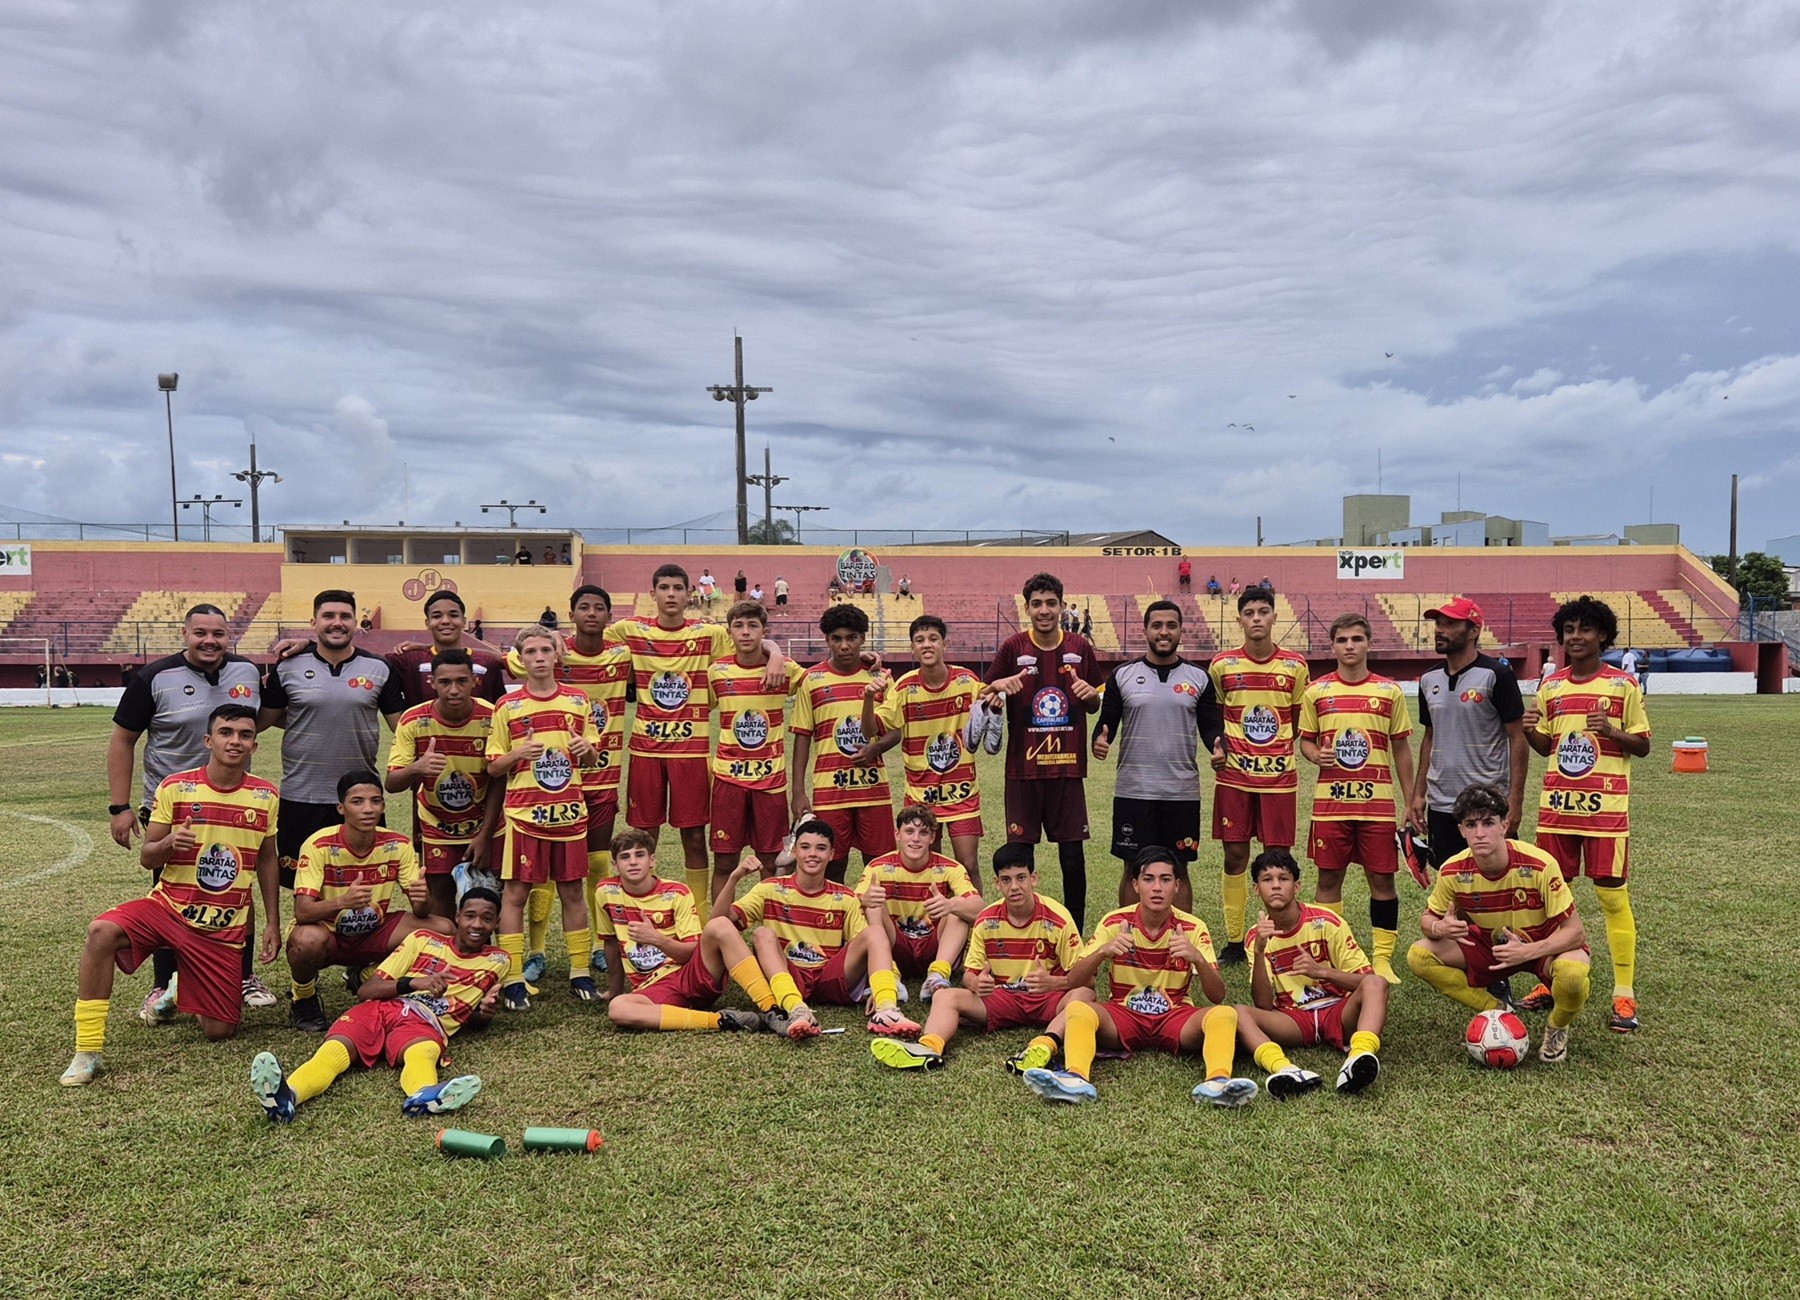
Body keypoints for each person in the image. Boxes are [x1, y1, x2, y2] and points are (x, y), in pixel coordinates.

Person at [62, 705, 280, 1085]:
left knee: (219, 1031)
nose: (235, 741)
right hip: (169, 908)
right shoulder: (176, 787)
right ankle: (87, 1051)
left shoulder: (265, 795)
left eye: (244, 735)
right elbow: (148, 858)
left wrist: (273, 922)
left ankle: (179, 989)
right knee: (101, 932)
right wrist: (169, 844)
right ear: (208, 741)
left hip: (221, 927)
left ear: (255, 746)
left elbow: (266, 858)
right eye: (226, 733)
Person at [106, 602, 267, 1016]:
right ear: (185, 633)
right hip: (174, 807)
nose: (209, 641)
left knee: (235, 884)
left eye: (218, 633)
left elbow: (254, 725)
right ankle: (163, 984)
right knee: (169, 894)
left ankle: (241, 974)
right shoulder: (155, 677)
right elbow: (123, 740)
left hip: (232, 801)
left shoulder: (247, 671)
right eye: (200, 633)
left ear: (228, 636)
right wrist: (119, 806)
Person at [1017, 847, 1258, 1108]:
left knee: (1224, 1014)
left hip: (1174, 1015)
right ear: (1135, 885)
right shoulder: (1114, 922)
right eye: (1148, 879)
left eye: (1165, 880)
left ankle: (1218, 1082)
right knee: (1078, 1009)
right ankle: (1076, 1078)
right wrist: (1103, 952)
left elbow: (1217, 995)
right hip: (1123, 1016)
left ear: (1177, 886)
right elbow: (1074, 980)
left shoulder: (1192, 927)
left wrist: (1197, 957)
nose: (1157, 887)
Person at [606, 565, 787, 912]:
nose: (671, 594)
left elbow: (748, 637)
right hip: (646, 751)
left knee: (692, 837)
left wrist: (775, 650)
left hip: (692, 753)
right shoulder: (631, 630)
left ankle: (702, 918)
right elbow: (589, 636)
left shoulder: (707, 633)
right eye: (664, 587)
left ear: (690, 593)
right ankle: (640, 910)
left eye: (678, 588)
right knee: (644, 836)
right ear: (652, 594)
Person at [249, 887, 509, 1122]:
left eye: (487, 919)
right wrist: (414, 983)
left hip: (424, 1020)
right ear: (457, 917)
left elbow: (467, 1015)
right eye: (470, 916)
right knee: (333, 1053)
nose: (477, 924)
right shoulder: (422, 940)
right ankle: (286, 1097)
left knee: (423, 1052)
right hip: (379, 1006)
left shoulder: (498, 961)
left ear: (497, 923)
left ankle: (423, 1096)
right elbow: (366, 990)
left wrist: (484, 1015)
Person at [1521, 596, 1651, 1032]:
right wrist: (1529, 732)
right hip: (1556, 810)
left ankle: (1624, 995)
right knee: (1550, 899)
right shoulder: (1552, 686)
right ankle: (1551, 977)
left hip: (1605, 812)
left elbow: (1644, 745)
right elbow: (1547, 748)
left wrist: (1612, 730)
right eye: (1570, 630)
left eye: (1585, 630)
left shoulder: (1622, 686)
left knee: (1613, 897)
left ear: (1603, 637)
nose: (1576, 637)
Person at [1406, 783, 1591, 1063]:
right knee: (1419, 956)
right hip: (1493, 950)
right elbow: (1427, 919)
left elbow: (1576, 933)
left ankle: (1557, 1027)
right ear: (1461, 831)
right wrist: (1438, 928)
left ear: (1504, 826)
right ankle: (1497, 1009)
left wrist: (1529, 951)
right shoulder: (1453, 870)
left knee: (1574, 974)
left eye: (1488, 823)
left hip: (1543, 946)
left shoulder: (1540, 864)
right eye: (1471, 824)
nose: (1480, 833)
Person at [504, 585, 634, 983]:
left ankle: (596, 946)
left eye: (599, 608)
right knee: (539, 875)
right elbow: (514, 653)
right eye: (583, 608)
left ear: (609, 616)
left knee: (592, 865)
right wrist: (550, 638)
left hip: (600, 773)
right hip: (549, 784)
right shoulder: (552, 650)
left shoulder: (621, 654)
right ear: (571, 613)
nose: (591, 614)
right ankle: (538, 952)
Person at [872, 842, 1087, 1072]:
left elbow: (1086, 978)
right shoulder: (986, 920)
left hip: (1047, 998)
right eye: (1006, 879)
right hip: (1003, 996)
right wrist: (978, 983)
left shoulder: (1059, 918)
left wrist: (1052, 983)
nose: (1014, 886)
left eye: (1021, 877)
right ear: (996, 884)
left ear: (1034, 878)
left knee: (1085, 995)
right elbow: (970, 975)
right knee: (945, 996)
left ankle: (1043, 1046)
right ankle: (928, 1048)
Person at [259, 589, 406, 893]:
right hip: (301, 797)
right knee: (302, 890)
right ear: (313, 622)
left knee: (362, 887)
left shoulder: (379, 669)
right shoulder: (287, 667)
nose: (336, 623)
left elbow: (403, 728)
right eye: (328, 616)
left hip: (360, 799)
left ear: (356, 623)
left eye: (344, 616)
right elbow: (263, 720)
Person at [486, 627, 602, 1009]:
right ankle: (514, 977)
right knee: (516, 895)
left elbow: (590, 757)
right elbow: (493, 766)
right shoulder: (508, 707)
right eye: (530, 651)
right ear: (520, 658)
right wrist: (518, 754)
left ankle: (580, 971)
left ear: (557, 656)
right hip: (524, 817)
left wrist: (586, 749)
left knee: (572, 892)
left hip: (569, 815)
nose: (538, 657)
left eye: (545, 650)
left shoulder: (578, 701)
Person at [1296, 613, 1416, 983]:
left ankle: (1381, 960)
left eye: (1357, 639)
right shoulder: (1317, 692)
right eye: (1342, 640)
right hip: (1330, 805)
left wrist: (1411, 801)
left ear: (1368, 644)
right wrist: (1317, 755)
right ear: (1332, 646)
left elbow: (1401, 749)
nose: (1349, 646)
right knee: (1328, 879)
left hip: (1377, 806)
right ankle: (1332, 954)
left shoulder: (1388, 691)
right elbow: (1305, 741)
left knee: (1382, 881)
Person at [724, 819, 919, 1037]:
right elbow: (720, 922)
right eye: (805, 847)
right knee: (762, 934)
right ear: (794, 851)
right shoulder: (769, 889)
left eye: (821, 848)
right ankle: (796, 1009)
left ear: (832, 853)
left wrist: (887, 984)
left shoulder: (844, 896)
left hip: (829, 977)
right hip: (790, 973)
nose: (812, 854)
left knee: (873, 932)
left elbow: (874, 944)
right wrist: (733, 879)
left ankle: (886, 1011)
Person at [287, 773, 451, 1031]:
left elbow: (421, 911)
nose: (368, 809)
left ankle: (367, 976)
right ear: (341, 808)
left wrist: (423, 898)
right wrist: (343, 901)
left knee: (443, 929)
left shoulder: (398, 844)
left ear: (383, 806)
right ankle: (303, 997)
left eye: (375, 801)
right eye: (357, 802)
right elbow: (303, 911)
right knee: (306, 941)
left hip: (374, 932)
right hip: (329, 934)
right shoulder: (318, 845)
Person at [984, 572, 1102, 933]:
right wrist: (996, 686)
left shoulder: (1080, 648)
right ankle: (1021, 929)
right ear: (1027, 608)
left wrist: (1090, 696)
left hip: (1067, 769)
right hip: (1022, 771)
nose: (1045, 610)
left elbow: (1096, 701)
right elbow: (984, 692)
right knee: (1021, 856)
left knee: (1072, 856)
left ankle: (1076, 934)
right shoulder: (1013, 647)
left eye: (1051, 603)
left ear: (1062, 606)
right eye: (1037, 603)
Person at [1093, 600, 1221, 914]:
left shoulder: (1199, 677)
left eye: (1171, 625)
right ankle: (1131, 944)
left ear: (1180, 630)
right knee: (1133, 869)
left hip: (1181, 792)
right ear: (1146, 630)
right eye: (1157, 625)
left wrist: (1218, 746)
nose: (1164, 632)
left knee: (1179, 868)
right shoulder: (1123, 675)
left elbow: (1210, 726)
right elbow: (1106, 720)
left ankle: (1181, 945)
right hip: (1133, 791)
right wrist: (1100, 738)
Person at [1207, 586, 1310, 964]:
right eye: (1248, 612)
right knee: (1235, 856)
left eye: (1263, 611)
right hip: (1234, 778)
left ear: (1273, 617)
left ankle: (1278, 934)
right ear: (1239, 619)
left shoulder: (1295, 666)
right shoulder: (1222, 666)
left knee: (1277, 860)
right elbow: (1214, 718)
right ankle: (1235, 941)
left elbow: (1297, 722)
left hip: (1279, 780)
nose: (1256, 618)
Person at [1234, 848, 1386, 1098]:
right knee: (1238, 1012)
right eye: (1267, 879)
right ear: (1255, 889)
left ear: (1297, 886)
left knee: (1377, 983)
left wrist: (1322, 971)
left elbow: (1365, 980)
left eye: (1283, 879)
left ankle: (1358, 1056)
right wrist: (1260, 951)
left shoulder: (1328, 921)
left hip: (1338, 1011)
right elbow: (1262, 1003)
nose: (1275, 886)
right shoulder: (1255, 936)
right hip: (1294, 1019)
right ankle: (1285, 1069)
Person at [855, 614, 987, 886]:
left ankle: (975, 925)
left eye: (933, 639)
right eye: (919, 640)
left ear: (944, 645)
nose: (927, 645)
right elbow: (870, 730)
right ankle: (935, 926)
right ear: (912, 648)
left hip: (961, 793)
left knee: (968, 864)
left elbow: (990, 705)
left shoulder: (967, 681)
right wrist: (868, 697)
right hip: (921, 797)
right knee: (929, 869)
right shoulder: (904, 687)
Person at [599, 829, 776, 1032]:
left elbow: (692, 953)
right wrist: (615, 992)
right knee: (618, 1008)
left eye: (640, 855)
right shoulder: (605, 892)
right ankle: (722, 1020)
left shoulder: (677, 893)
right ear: (614, 865)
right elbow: (611, 942)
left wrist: (656, 939)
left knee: (720, 925)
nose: (632, 862)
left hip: (689, 974)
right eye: (624, 857)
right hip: (653, 989)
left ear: (652, 860)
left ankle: (772, 1009)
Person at [1407, 597, 1528, 872]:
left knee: (1497, 875)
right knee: (1450, 878)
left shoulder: (1496, 675)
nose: (1439, 629)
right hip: (1441, 801)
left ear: (1473, 631)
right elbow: (1430, 736)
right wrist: (1419, 793)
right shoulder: (1428, 679)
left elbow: (1517, 738)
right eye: (1438, 623)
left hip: (1486, 799)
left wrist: (1516, 800)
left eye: (1449, 624)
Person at [385, 650, 501, 918]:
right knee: (440, 898)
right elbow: (391, 783)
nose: (453, 689)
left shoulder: (493, 717)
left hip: (488, 826)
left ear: (474, 681)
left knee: (490, 898)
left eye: (462, 681)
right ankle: (449, 955)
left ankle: (487, 957)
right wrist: (417, 767)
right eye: (445, 682)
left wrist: (484, 834)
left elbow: (500, 778)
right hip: (438, 827)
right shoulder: (413, 720)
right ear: (432, 683)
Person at [707, 600, 805, 903]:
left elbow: (821, 681)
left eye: (753, 626)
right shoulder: (717, 672)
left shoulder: (784, 670)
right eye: (739, 626)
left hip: (771, 784)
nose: (746, 632)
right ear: (729, 631)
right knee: (724, 862)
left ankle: (773, 929)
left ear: (764, 630)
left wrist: (776, 654)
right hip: (728, 783)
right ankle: (719, 929)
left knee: (773, 860)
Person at [790, 604, 894, 882]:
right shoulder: (811, 680)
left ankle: (879, 925)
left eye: (852, 638)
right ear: (827, 640)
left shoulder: (879, 677)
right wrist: (798, 791)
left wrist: (875, 748)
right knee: (832, 865)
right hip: (830, 792)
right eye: (837, 638)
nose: (845, 645)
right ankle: (835, 922)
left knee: (880, 866)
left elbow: (896, 730)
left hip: (873, 789)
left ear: (863, 638)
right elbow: (802, 737)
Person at [854, 806, 984, 998]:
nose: (916, 839)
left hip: (936, 947)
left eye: (923, 833)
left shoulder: (951, 868)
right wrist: (864, 900)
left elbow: (980, 908)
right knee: (872, 904)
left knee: (958, 908)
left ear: (932, 838)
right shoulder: (878, 867)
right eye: (909, 831)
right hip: (895, 945)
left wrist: (950, 905)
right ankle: (889, 973)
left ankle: (937, 975)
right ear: (897, 834)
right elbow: (850, 908)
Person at [384, 589, 507, 708]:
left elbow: (499, 709)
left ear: (464, 621)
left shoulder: (487, 663)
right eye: (437, 616)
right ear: (427, 623)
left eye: (453, 615)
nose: (445, 621)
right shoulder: (407, 660)